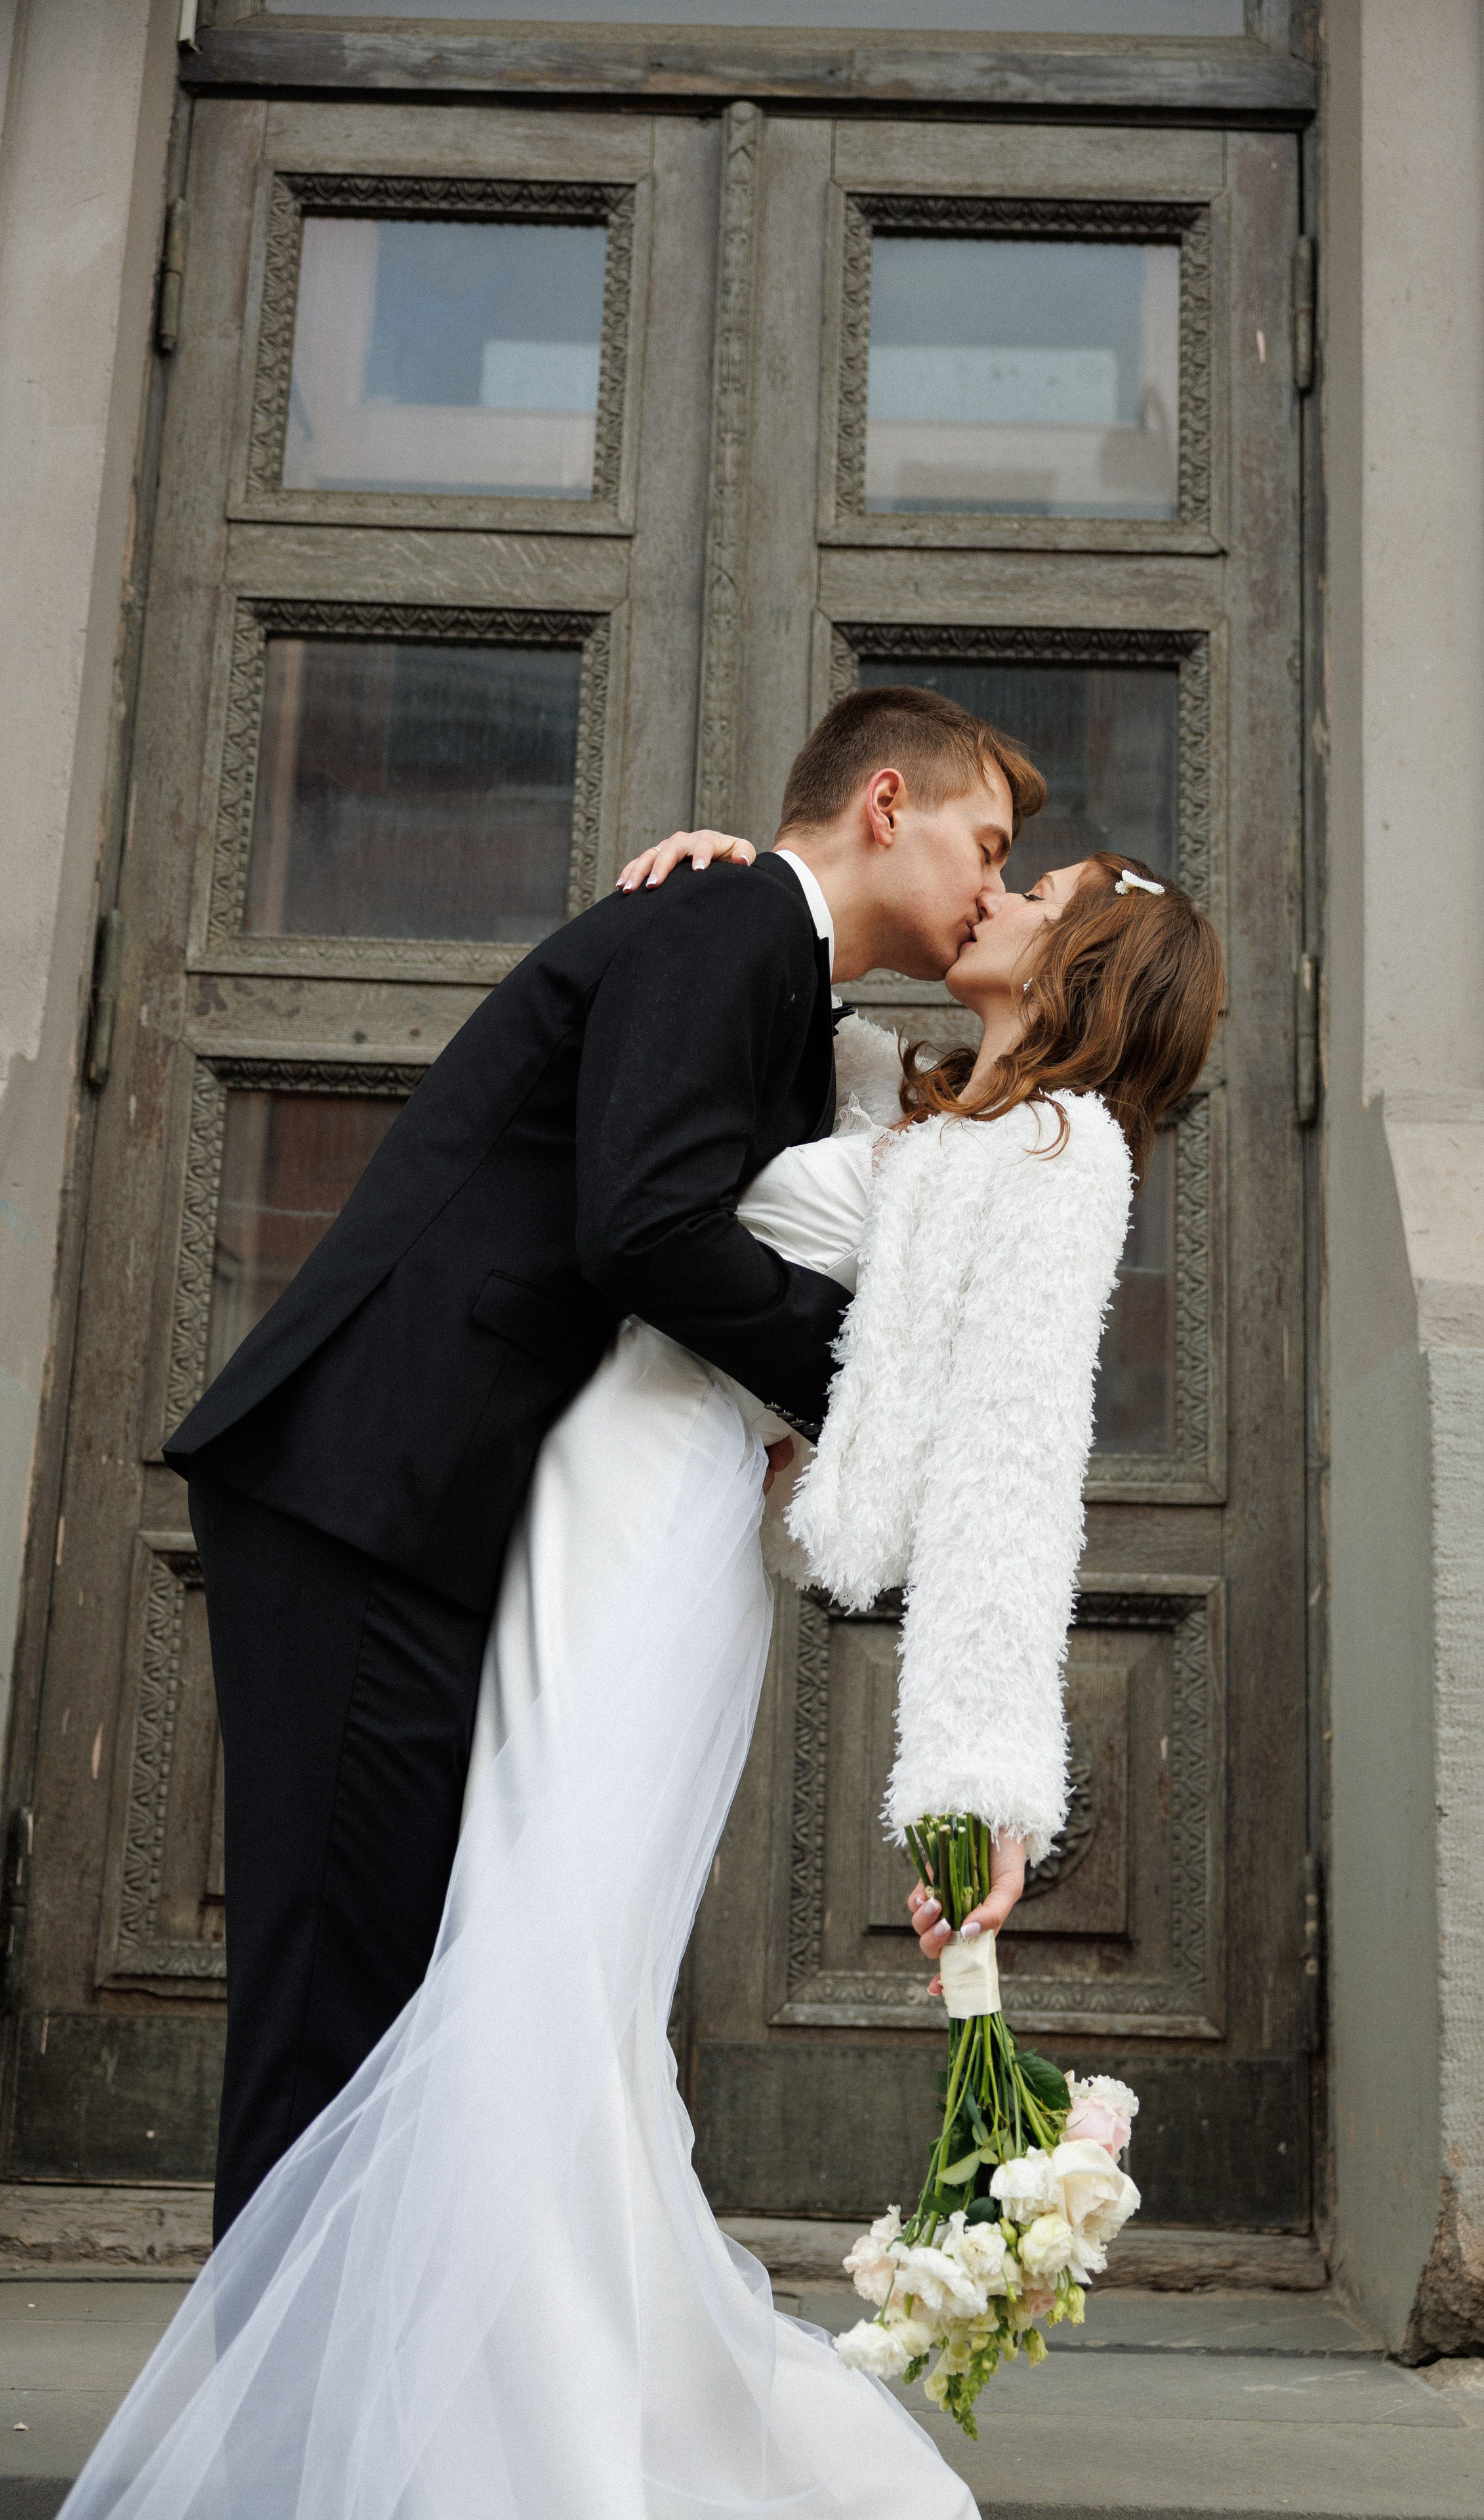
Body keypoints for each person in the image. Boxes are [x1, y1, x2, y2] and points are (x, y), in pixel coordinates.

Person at [63, 831, 1223, 2520]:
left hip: (648, 1550)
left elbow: (1010, 1479)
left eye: (1036, 893)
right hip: (567, 1496)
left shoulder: (1060, 1157)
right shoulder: (907, 1096)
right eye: (998, 858)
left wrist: (978, 1791)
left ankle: (524, 2453)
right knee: (510, 1967)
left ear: (1090, 968)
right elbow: (744, 1038)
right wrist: (734, 865)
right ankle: (458, 2414)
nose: (1000, 893)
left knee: (538, 1980)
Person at [163, 684, 1027, 2244]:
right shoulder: (727, 923)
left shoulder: (772, 970)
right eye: (988, 840)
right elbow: (641, 1229)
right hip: (373, 1475)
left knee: (396, 1987)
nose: (991, 884)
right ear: (887, 804)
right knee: (329, 2006)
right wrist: (867, 1390)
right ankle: (277, 2455)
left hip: (439, 1504)